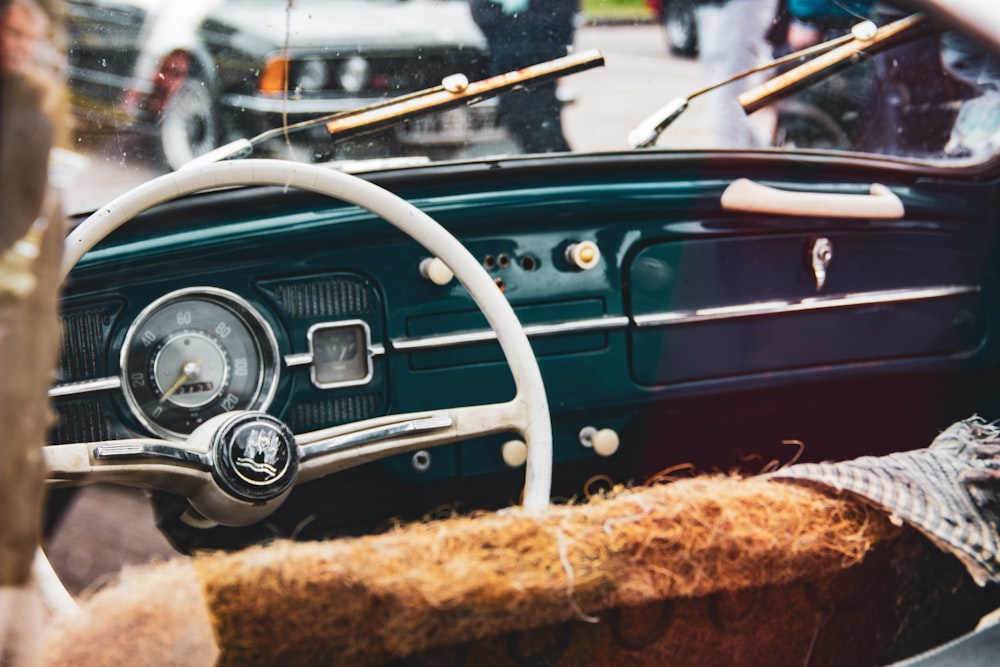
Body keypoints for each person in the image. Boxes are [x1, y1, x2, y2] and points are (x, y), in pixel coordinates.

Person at [469, 0, 578, 153]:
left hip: (538, 64)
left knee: (541, 130)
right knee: (525, 124)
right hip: (508, 62)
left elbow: (563, 17)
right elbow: (483, 15)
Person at [693, 0, 777, 148]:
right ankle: (768, 159)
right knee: (721, 104)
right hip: (709, 7)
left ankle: (730, 169)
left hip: (739, 6)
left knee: (725, 108)